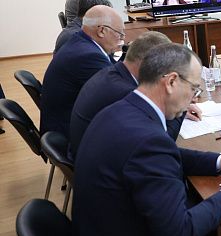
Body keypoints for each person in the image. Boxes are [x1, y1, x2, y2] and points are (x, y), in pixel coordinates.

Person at [72, 43, 221, 236]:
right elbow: (178, 234)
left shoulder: (118, 110)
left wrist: (220, 160)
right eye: (194, 88)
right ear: (171, 81)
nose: (194, 97)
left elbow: (164, 156)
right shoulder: (148, 142)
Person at [68, 31, 205, 161]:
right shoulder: (126, 92)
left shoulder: (113, 73)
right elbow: (164, 141)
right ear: (148, 63)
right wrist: (180, 105)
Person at [40, 5, 123, 138]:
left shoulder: (80, 41)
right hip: (71, 134)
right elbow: (119, 92)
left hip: (64, 121)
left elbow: (113, 71)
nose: (121, 40)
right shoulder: (89, 56)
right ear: (102, 31)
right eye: (119, 34)